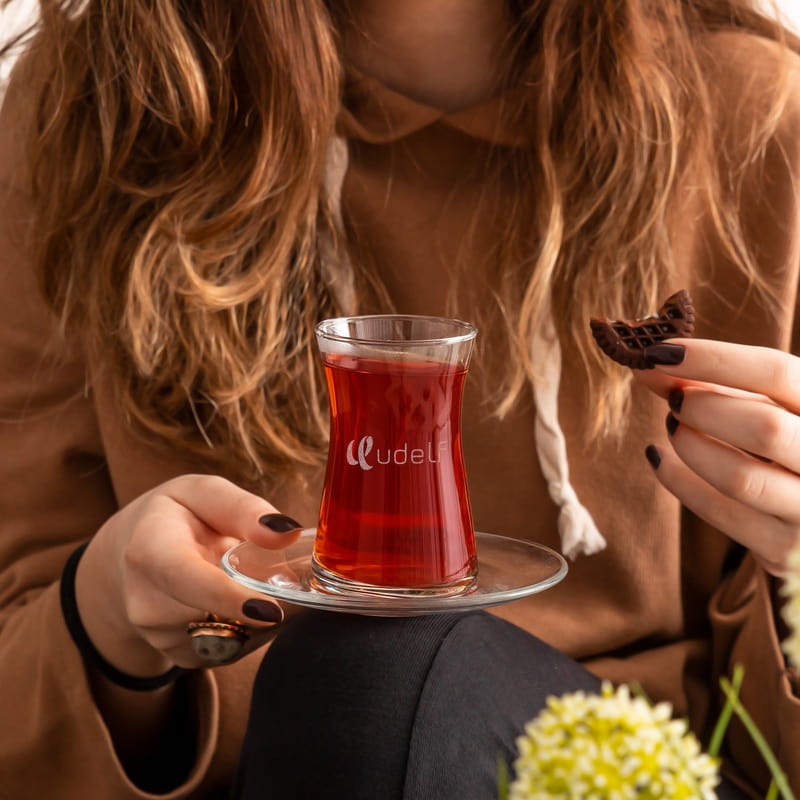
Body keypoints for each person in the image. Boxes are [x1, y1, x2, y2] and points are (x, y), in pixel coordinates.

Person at [0, 0, 799, 797]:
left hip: (641, 768)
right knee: (361, 663)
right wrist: (105, 614)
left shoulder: (762, 116)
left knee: (374, 664)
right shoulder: (99, 106)